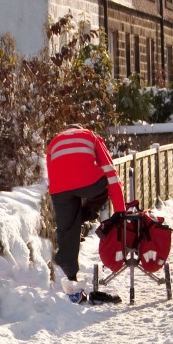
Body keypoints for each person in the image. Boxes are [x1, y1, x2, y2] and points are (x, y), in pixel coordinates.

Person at [46, 124, 125, 304]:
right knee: (103, 187)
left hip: (60, 187)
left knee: (66, 229)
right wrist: (120, 210)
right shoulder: (90, 136)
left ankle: (71, 278)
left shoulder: (54, 142)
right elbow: (111, 174)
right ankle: (87, 212)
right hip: (89, 183)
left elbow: (52, 173)